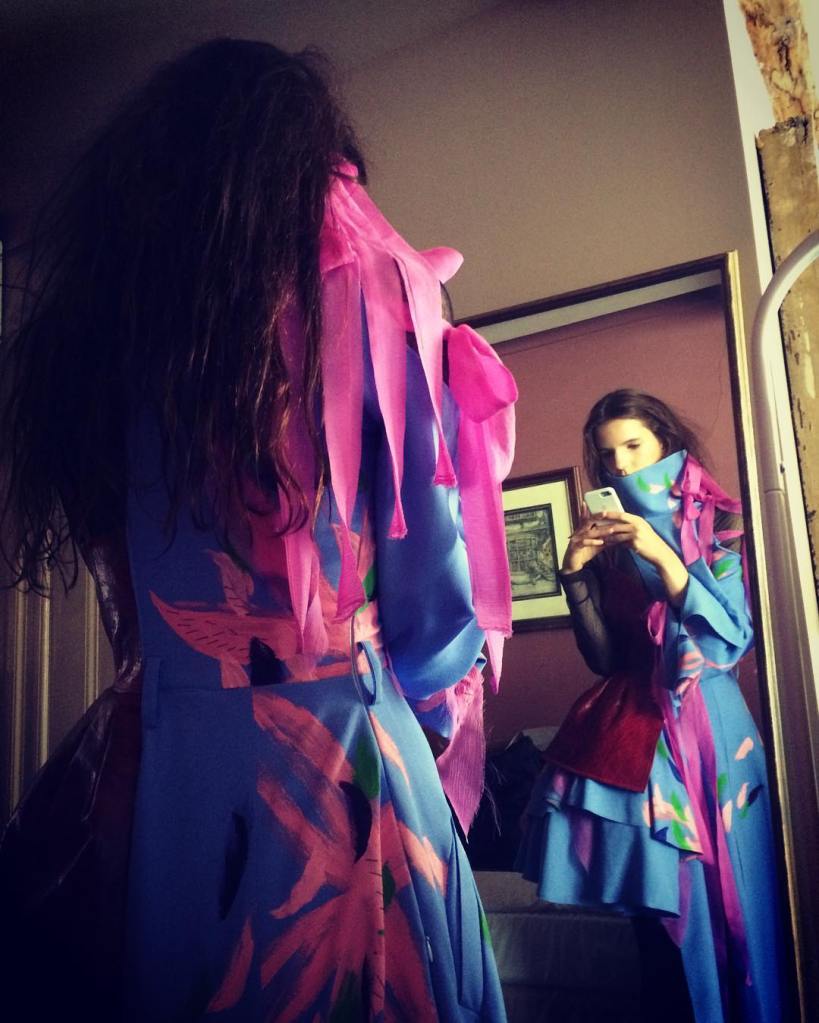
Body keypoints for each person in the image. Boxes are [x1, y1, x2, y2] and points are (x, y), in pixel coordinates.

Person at [0, 39, 517, 1021]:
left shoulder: (111, 316)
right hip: (339, 754)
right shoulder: (373, 290)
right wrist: (431, 710)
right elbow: (432, 612)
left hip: (143, 764)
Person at [516, 389, 784, 1023]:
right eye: (609, 456)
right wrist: (574, 574)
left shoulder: (725, 523)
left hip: (714, 733)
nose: (623, 466)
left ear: (665, 438)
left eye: (634, 446)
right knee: (660, 925)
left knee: (744, 902)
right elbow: (606, 658)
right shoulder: (612, 543)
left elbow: (731, 637)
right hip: (636, 743)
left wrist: (662, 553)